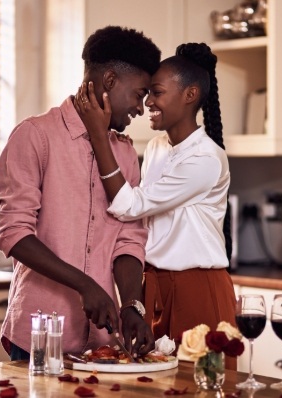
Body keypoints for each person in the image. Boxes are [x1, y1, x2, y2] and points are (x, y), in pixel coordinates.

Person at [0, 25, 161, 360]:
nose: (141, 108)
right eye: (139, 94)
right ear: (110, 81)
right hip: (37, 337)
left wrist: (131, 304)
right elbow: (13, 233)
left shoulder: (125, 153)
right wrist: (85, 285)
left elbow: (129, 238)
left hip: (102, 341)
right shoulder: (35, 136)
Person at [75, 42, 237, 367]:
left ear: (189, 95)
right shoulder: (156, 147)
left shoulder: (206, 159)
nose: (148, 101)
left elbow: (128, 206)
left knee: (202, 385)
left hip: (197, 289)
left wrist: (97, 134)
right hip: (154, 288)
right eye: (148, 92)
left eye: (158, 92)